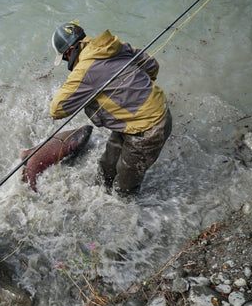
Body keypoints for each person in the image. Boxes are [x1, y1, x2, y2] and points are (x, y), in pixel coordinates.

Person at [49, 21, 172, 196]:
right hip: (149, 114)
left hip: (149, 129)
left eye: (64, 58)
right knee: (106, 169)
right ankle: (100, 195)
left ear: (68, 52)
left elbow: (56, 109)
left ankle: (128, 214)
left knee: (125, 190)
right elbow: (152, 65)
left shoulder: (83, 72)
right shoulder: (113, 45)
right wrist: (133, 91)